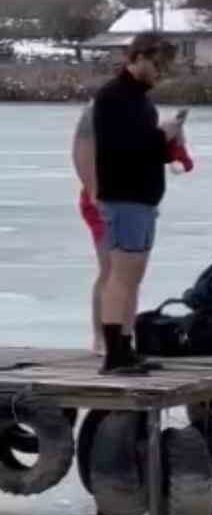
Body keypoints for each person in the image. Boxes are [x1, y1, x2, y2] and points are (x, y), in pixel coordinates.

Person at [93, 32, 183, 374]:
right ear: (139, 58)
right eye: (157, 64)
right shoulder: (114, 97)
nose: (161, 72)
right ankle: (114, 353)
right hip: (125, 197)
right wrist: (163, 134)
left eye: (165, 67)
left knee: (132, 277)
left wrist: (169, 141)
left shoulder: (141, 101)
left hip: (141, 198)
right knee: (121, 276)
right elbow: (125, 148)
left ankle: (125, 347)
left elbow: (146, 150)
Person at [71, 102, 109, 355]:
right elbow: (80, 153)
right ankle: (100, 337)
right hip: (101, 201)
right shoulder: (95, 110)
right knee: (109, 269)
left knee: (123, 274)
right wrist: (95, 192)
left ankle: (118, 335)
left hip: (127, 201)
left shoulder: (135, 106)